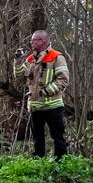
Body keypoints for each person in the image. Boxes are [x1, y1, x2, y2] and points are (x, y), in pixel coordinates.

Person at [14, 30, 70, 159]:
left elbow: (63, 79)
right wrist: (17, 60)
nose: (31, 42)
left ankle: (61, 162)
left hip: (53, 106)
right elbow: (18, 75)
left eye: (34, 40)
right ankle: (38, 161)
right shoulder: (30, 59)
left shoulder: (56, 57)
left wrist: (46, 91)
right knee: (37, 137)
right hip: (35, 106)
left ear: (43, 41)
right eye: (31, 40)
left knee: (58, 137)